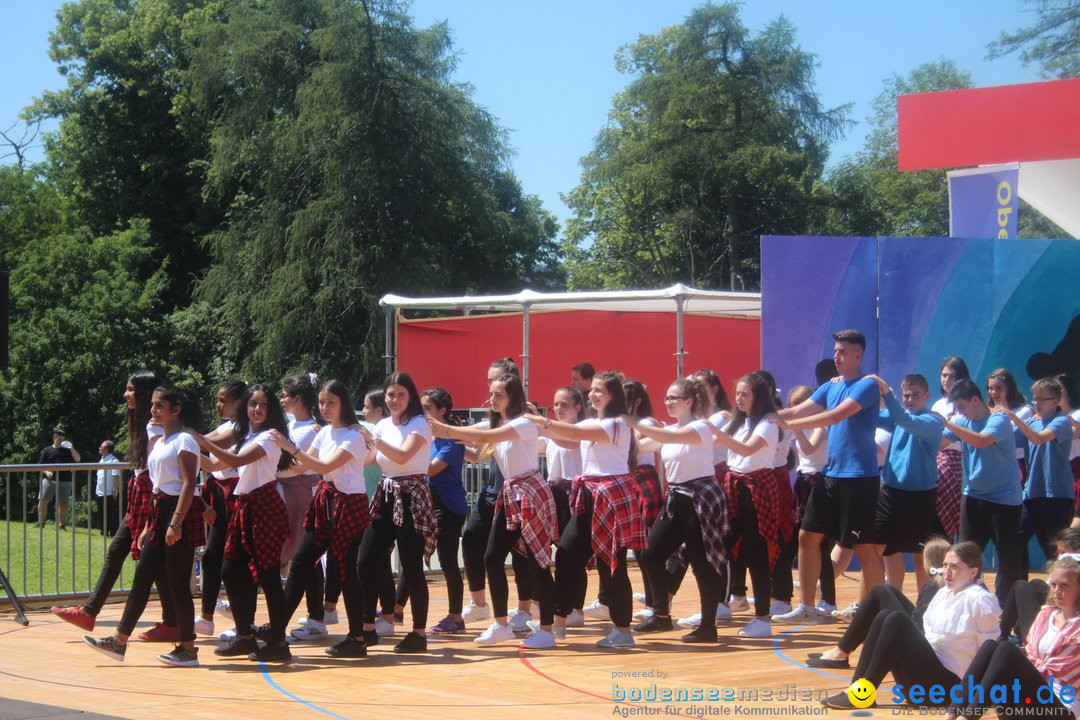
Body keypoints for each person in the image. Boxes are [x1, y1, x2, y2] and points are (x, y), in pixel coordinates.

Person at [430, 373, 558, 649]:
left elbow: (486, 435)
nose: (492, 399)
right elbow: (483, 442)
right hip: (511, 492)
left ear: (512, 396)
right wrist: (445, 432)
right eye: (491, 394)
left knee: (538, 563)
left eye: (498, 394)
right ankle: (501, 624)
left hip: (530, 493)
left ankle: (547, 629)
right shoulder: (500, 424)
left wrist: (448, 431)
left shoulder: (522, 423)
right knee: (492, 557)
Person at [83, 386, 205, 666]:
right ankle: (119, 641)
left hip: (178, 514)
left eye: (160, 406)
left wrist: (175, 523)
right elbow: (157, 487)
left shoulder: (185, 440)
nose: (153, 410)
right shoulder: (162, 440)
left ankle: (188, 649)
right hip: (159, 514)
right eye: (153, 405)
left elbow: (188, 484)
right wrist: (151, 525)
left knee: (177, 585)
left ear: (176, 409)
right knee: (141, 579)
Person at [773, 329, 884, 625]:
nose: (836, 356)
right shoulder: (829, 386)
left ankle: (879, 610)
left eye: (843, 351)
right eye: (835, 351)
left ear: (858, 355)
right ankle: (807, 607)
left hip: (860, 478)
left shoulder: (867, 386)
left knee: (863, 547)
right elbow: (797, 409)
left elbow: (835, 416)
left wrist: (790, 421)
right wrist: (766, 413)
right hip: (830, 475)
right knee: (807, 537)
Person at [528, 371, 646, 647]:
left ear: (613, 395)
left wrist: (542, 421)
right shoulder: (595, 422)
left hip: (611, 497)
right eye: (591, 390)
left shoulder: (618, 424)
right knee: (567, 555)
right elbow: (569, 439)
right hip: (589, 495)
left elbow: (575, 432)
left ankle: (623, 631)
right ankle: (556, 625)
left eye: (598, 391)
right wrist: (541, 426)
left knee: (612, 566)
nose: (592, 394)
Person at [52, 371, 173, 637]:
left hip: (151, 493)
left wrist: (155, 500)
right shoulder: (144, 423)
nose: (125, 395)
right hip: (144, 492)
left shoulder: (154, 426)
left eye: (130, 390)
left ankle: (91, 612)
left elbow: (163, 463)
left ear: (142, 392)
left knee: (138, 555)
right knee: (145, 557)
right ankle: (171, 621)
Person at [820, 542, 1001, 710]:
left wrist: (979, 696)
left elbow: (989, 651)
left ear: (973, 571)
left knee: (896, 620)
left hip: (949, 689)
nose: (946, 572)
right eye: (945, 565)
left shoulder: (980, 600)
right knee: (885, 615)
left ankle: (862, 694)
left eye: (954, 566)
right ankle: (858, 689)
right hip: (923, 679)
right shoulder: (943, 593)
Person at [192, 384, 295, 663]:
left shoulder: (270, 438)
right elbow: (214, 466)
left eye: (263, 405)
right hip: (245, 506)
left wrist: (200, 440)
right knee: (231, 569)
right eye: (253, 405)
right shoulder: (246, 434)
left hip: (264, 507)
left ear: (271, 409)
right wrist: (184, 449)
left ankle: (278, 642)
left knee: (269, 576)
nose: (258, 409)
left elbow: (235, 460)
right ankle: (245, 636)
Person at [270, 379, 372, 658]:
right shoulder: (325, 432)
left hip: (348, 505)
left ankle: (357, 638)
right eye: (322, 402)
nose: (325, 408)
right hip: (325, 499)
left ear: (344, 403)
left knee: (344, 570)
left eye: (331, 402)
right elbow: (304, 464)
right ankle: (276, 632)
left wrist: (288, 447)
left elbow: (324, 465)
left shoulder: (353, 435)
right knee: (301, 560)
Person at [633, 377, 729, 643]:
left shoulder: (700, 427)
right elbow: (639, 448)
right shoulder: (670, 430)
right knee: (650, 553)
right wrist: (622, 434)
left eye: (673, 398)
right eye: (666, 398)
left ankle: (708, 626)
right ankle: (661, 615)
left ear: (689, 401)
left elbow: (668, 436)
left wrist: (633, 423)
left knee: (702, 562)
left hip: (700, 497)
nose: (667, 402)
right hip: (677, 497)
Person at [356, 372, 439, 654]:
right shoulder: (382, 426)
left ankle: (418, 633)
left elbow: (403, 456)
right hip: (386, 493)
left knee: (411, 566)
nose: (394, 400)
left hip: (411, 495)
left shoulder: (420, 424)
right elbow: (368, 458)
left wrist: (374, 440)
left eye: (401, 394)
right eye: (390, 394)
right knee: (365, 561)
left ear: (411, 397)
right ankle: (367, 628)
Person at [949, 554, 1080, 720]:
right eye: (1054, 585)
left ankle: (967, 718)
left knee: (1007, 649)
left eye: (1065, 586)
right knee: (990, 646)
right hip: (1027, 700)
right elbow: (1032, 656)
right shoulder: (1046, 614)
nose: (1057, 591)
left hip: (1059, 710)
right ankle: (951, 715)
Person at [806, 536, 950, 669]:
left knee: (879, 597)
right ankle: (841, 651)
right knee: (884, 592)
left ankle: (841, 653)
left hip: (921, 650)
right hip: (931, 646)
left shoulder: (932, 587)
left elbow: (918, 625)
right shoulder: (952, 585)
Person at [712, 374, 782, 638]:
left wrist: (718, 433)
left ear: (759, 397)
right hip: (734, 486)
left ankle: (763, 617)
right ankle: (718, 606)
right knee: (725, 547)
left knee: (757, 552)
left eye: (745, 394)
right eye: (737, 394)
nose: (739, 399)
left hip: (757, 488)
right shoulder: (737, 421)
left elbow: (746, 450)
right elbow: (714, 442)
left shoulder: (768, 423)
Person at [942, 379, 1023, 603]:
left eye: (962, 406)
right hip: (973, 496)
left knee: (1008, 562)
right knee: (964, 557)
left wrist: (948, 424)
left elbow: (982, 441)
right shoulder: (962, 421)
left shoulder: (998, 420)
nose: (960, 412)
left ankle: (1010, 615)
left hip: (1004, 501)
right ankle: (966, 604)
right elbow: (939, 442)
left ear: (975, 400)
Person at [868, 373, 945, 592]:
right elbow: (872, 415)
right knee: (882, 548)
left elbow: (905, 420)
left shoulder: (933, 420)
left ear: (927, 395)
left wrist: (887, 393)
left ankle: (923, 605)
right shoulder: (898, 415)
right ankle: (890, 597)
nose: (910, 400)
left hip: (919, 496)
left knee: (920, 554)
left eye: (915, 395)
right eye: (906, 395)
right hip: (891, 492)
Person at [1002, 377, 1076, 578]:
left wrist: (1015, 418)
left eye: (1041, 399)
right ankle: (1015, 589)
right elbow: (1006, 440)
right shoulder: (1029, 423)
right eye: (1035, 398)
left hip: (1058, 496)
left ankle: (1060, 594)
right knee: (1013, 541)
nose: (1036, 403)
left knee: (1057, 551)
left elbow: (1040, 438)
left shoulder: (1060, 421)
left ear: (1055, 401)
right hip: (1033, 494)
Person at [274, 374, 327, 641]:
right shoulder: (291, 426)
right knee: (299, 554)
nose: (282, 400)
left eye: (285, 395)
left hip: (302, 494)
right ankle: (315, 615)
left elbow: (304, 465)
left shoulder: (313, 429)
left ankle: (317, 617)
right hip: (288, 492)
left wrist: (276, 467)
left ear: (298, 399)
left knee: (305, 554)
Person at [194, 379, 246, 638]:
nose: (218, 405)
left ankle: (242, 622)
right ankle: (206, 617)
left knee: (235, 561)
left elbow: (205, 446)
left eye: (223, 400)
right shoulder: (226, 426)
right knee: (212, 556)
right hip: (220, 494)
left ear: (238, 402)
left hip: (237, 496)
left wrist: (179, 434)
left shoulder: (240, 427)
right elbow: (204, 448)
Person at [417, 387, 469, 635]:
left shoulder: (451, 440)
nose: (422, 413)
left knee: (448, 560)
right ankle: (393, 611)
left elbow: (430, 470)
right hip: (429, 502)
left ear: (442, 411)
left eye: (427, 408)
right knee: (412, 555)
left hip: (449, 505)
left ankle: (456, 617)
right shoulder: (426, 437)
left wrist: (401, 459)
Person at [539, 386, 587, 627]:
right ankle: (555, 605)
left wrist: (543, 426)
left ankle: (576, 608)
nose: (558, 409)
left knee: (572, 555)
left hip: (574, 495)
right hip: (554, 497)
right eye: (555, 405)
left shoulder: (582, 432)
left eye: (564, 404)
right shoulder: (551, 433)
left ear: (578, 407)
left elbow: (570, 442)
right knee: (556, 553)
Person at [787, 385, 836, 616]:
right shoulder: (802, 427)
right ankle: (788, 594)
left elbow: (808, 450)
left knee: (821, 544)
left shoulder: (821, 425)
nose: (796, 413)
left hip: (818, 480)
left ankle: (828, 599)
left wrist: (794, 428)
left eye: (799, 407)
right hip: (803, 480)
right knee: (801, 540)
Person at [999, 527, 1080, 644]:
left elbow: (1051, 602)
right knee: (1034, 584)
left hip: (1047, 641)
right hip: (1048, 633)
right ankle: (1013, 634)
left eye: (1062, 552)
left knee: (1021, 586)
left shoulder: (1073, 571)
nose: (1059, 557)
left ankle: (1004, 635)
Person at [933, 356, 971, 540]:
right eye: (944, 375)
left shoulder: (966, 404)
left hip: (958, 462)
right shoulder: (938, 404)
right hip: (936, 460)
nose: (946, 380)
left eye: (952, 376)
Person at [986, 368, 1032, 483]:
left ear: (1009, 389)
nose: (993, 392)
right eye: (990, 388)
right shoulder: (988, 413)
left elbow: (1002, 434)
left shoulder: (1024, 411)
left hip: (1018, 465)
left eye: (998, 388)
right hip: (995, 464)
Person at [38, 427, 81, 530]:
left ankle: (61, 525)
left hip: (65, 479)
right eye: (59, 439)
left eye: (63, 439)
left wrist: (71, 448)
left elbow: (78, 459)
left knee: (63, 503)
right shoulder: (47, 450)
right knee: (43, 500)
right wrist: (46, 472)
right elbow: (39, 466)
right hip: (49, 479)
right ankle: (41, 523)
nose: (61, 442)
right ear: (54, 438)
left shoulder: (67, 450)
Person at [95, 440, 122, 536]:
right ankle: (104, 531)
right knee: (101, 513)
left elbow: (116, 476)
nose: (100, 448)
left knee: (111, 514)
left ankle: (113, 532)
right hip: (100, 492)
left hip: (110, 492)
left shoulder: (113, 461)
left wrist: (115, 489)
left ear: (107, 449)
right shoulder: (102, 460)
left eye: (102, 447)